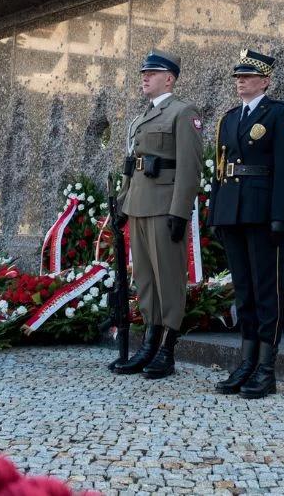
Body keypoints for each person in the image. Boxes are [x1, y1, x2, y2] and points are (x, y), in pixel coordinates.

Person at [209, 49, 284, 399]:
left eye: (247, 76)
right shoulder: (228, 119)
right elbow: (219, 169)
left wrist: (280, 216)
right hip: (232, 211)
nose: (240, 81)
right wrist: (216, 212)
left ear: (265, 80)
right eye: (237, 77)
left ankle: (266, 368)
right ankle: (245, 362)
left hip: (262, 212)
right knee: (244, 290)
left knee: (266, 290)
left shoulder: (279, 113)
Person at [111, 49, 204, 379]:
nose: (144, 78)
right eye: (142, 73)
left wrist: (179, 212)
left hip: (165, 208)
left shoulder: (183, 112)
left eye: (151, 73)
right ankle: (149, 342)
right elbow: (130, 166)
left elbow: (190, 169)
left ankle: (167, 348)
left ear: (170, 78)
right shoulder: (140, 119)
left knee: (168, 280)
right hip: (138, 206)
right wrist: (122, 204)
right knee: (146, 280)